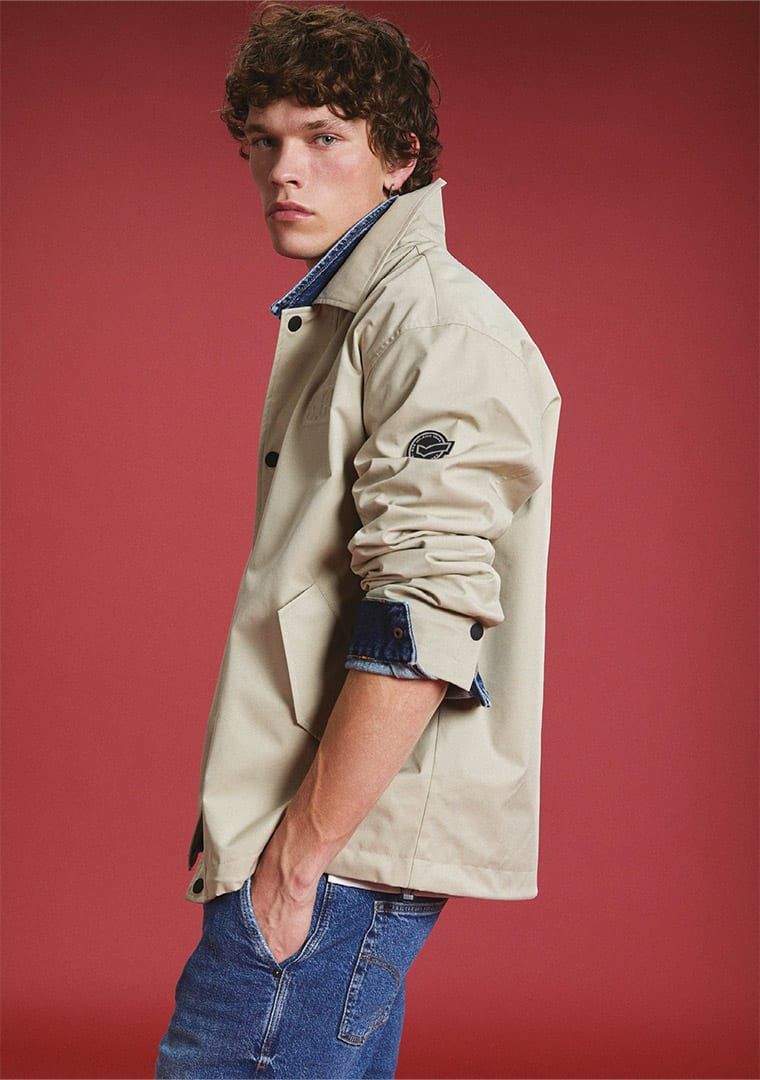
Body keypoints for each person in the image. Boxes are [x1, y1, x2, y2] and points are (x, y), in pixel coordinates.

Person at [154, 2, 562, 1076]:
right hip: (323, 837)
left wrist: (296, 863)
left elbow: (426, 613)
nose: (284, 169)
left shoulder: (434, 325)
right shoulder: (360, 314)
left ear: (400, 157)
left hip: (332, 851)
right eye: (265, 141)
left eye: (324, 136)